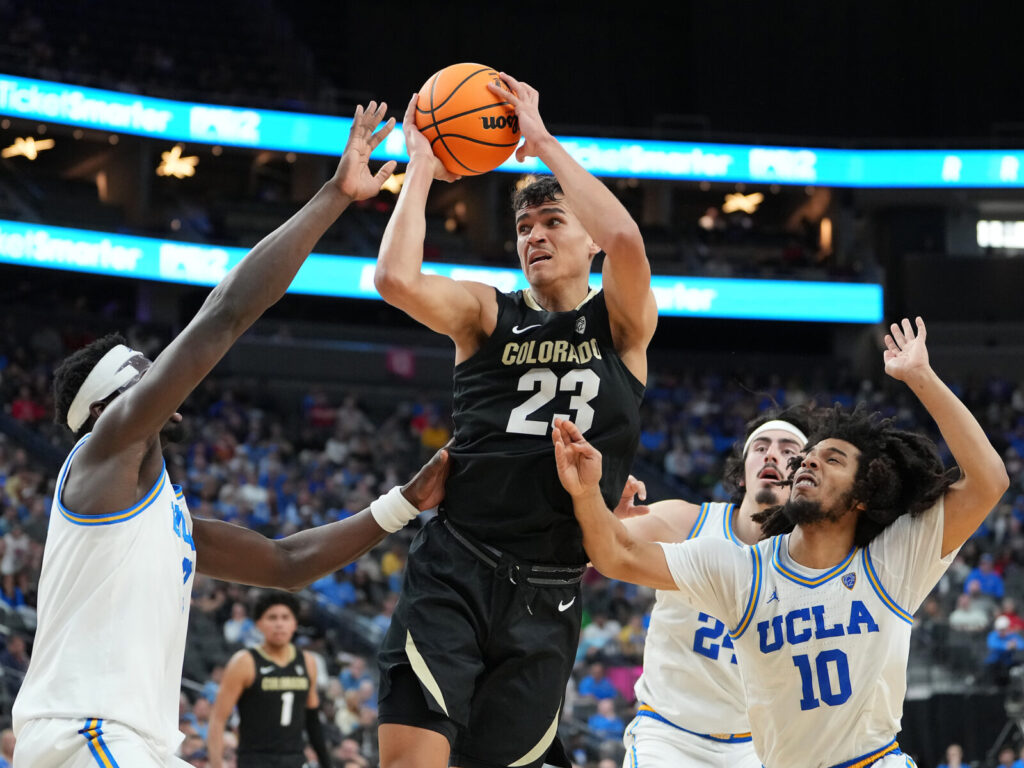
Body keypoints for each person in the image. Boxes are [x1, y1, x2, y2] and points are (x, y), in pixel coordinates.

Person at [11, 103, 453, 768]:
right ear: (106, 409)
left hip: (134, 742)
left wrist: (403, 503)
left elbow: (287, 565)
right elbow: (225, 313)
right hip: (89, 731)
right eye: (141, 373)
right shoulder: (103, 453)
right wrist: (334, 196)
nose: (159, 378)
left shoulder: (165, 513)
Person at [552, 317, 1009, 768]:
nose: (803, 462)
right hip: (675, 738)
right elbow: (614, 552)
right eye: (804, 457)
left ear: (864, 494)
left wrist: (921, 377)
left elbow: (988, 480)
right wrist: (588, 494)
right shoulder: (739, 566)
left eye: (827, 457)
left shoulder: (892, 560)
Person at [372, 72, 658, 768]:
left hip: (550, 590)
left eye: (553, 222)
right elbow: (395, 281)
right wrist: (422, 169)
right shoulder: (487, 312)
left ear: (587, 241)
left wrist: (543, 141)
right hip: (457, 566)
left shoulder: (622, 326)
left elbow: (624, 235)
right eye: (524, 227)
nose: (534, 236)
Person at [614, 409, 810, 767]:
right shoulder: (688, 522)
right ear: (742, 474)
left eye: (788, 449)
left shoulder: (812, 559)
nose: (771, 454)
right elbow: (597, 553)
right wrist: (608, 518)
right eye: (761, 447)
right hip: (669, 735)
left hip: (756, 747)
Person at [208, 592, 329, 768]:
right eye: (272, 618)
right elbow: (218, 719)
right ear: (258, 624)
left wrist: (327, 763)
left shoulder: (308, 662)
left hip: (294, 759)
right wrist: (216, 765)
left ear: (295, 623)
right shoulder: (244, 662)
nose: (279, 624)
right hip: (255, 760)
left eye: (285, 617)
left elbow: (313, 722)